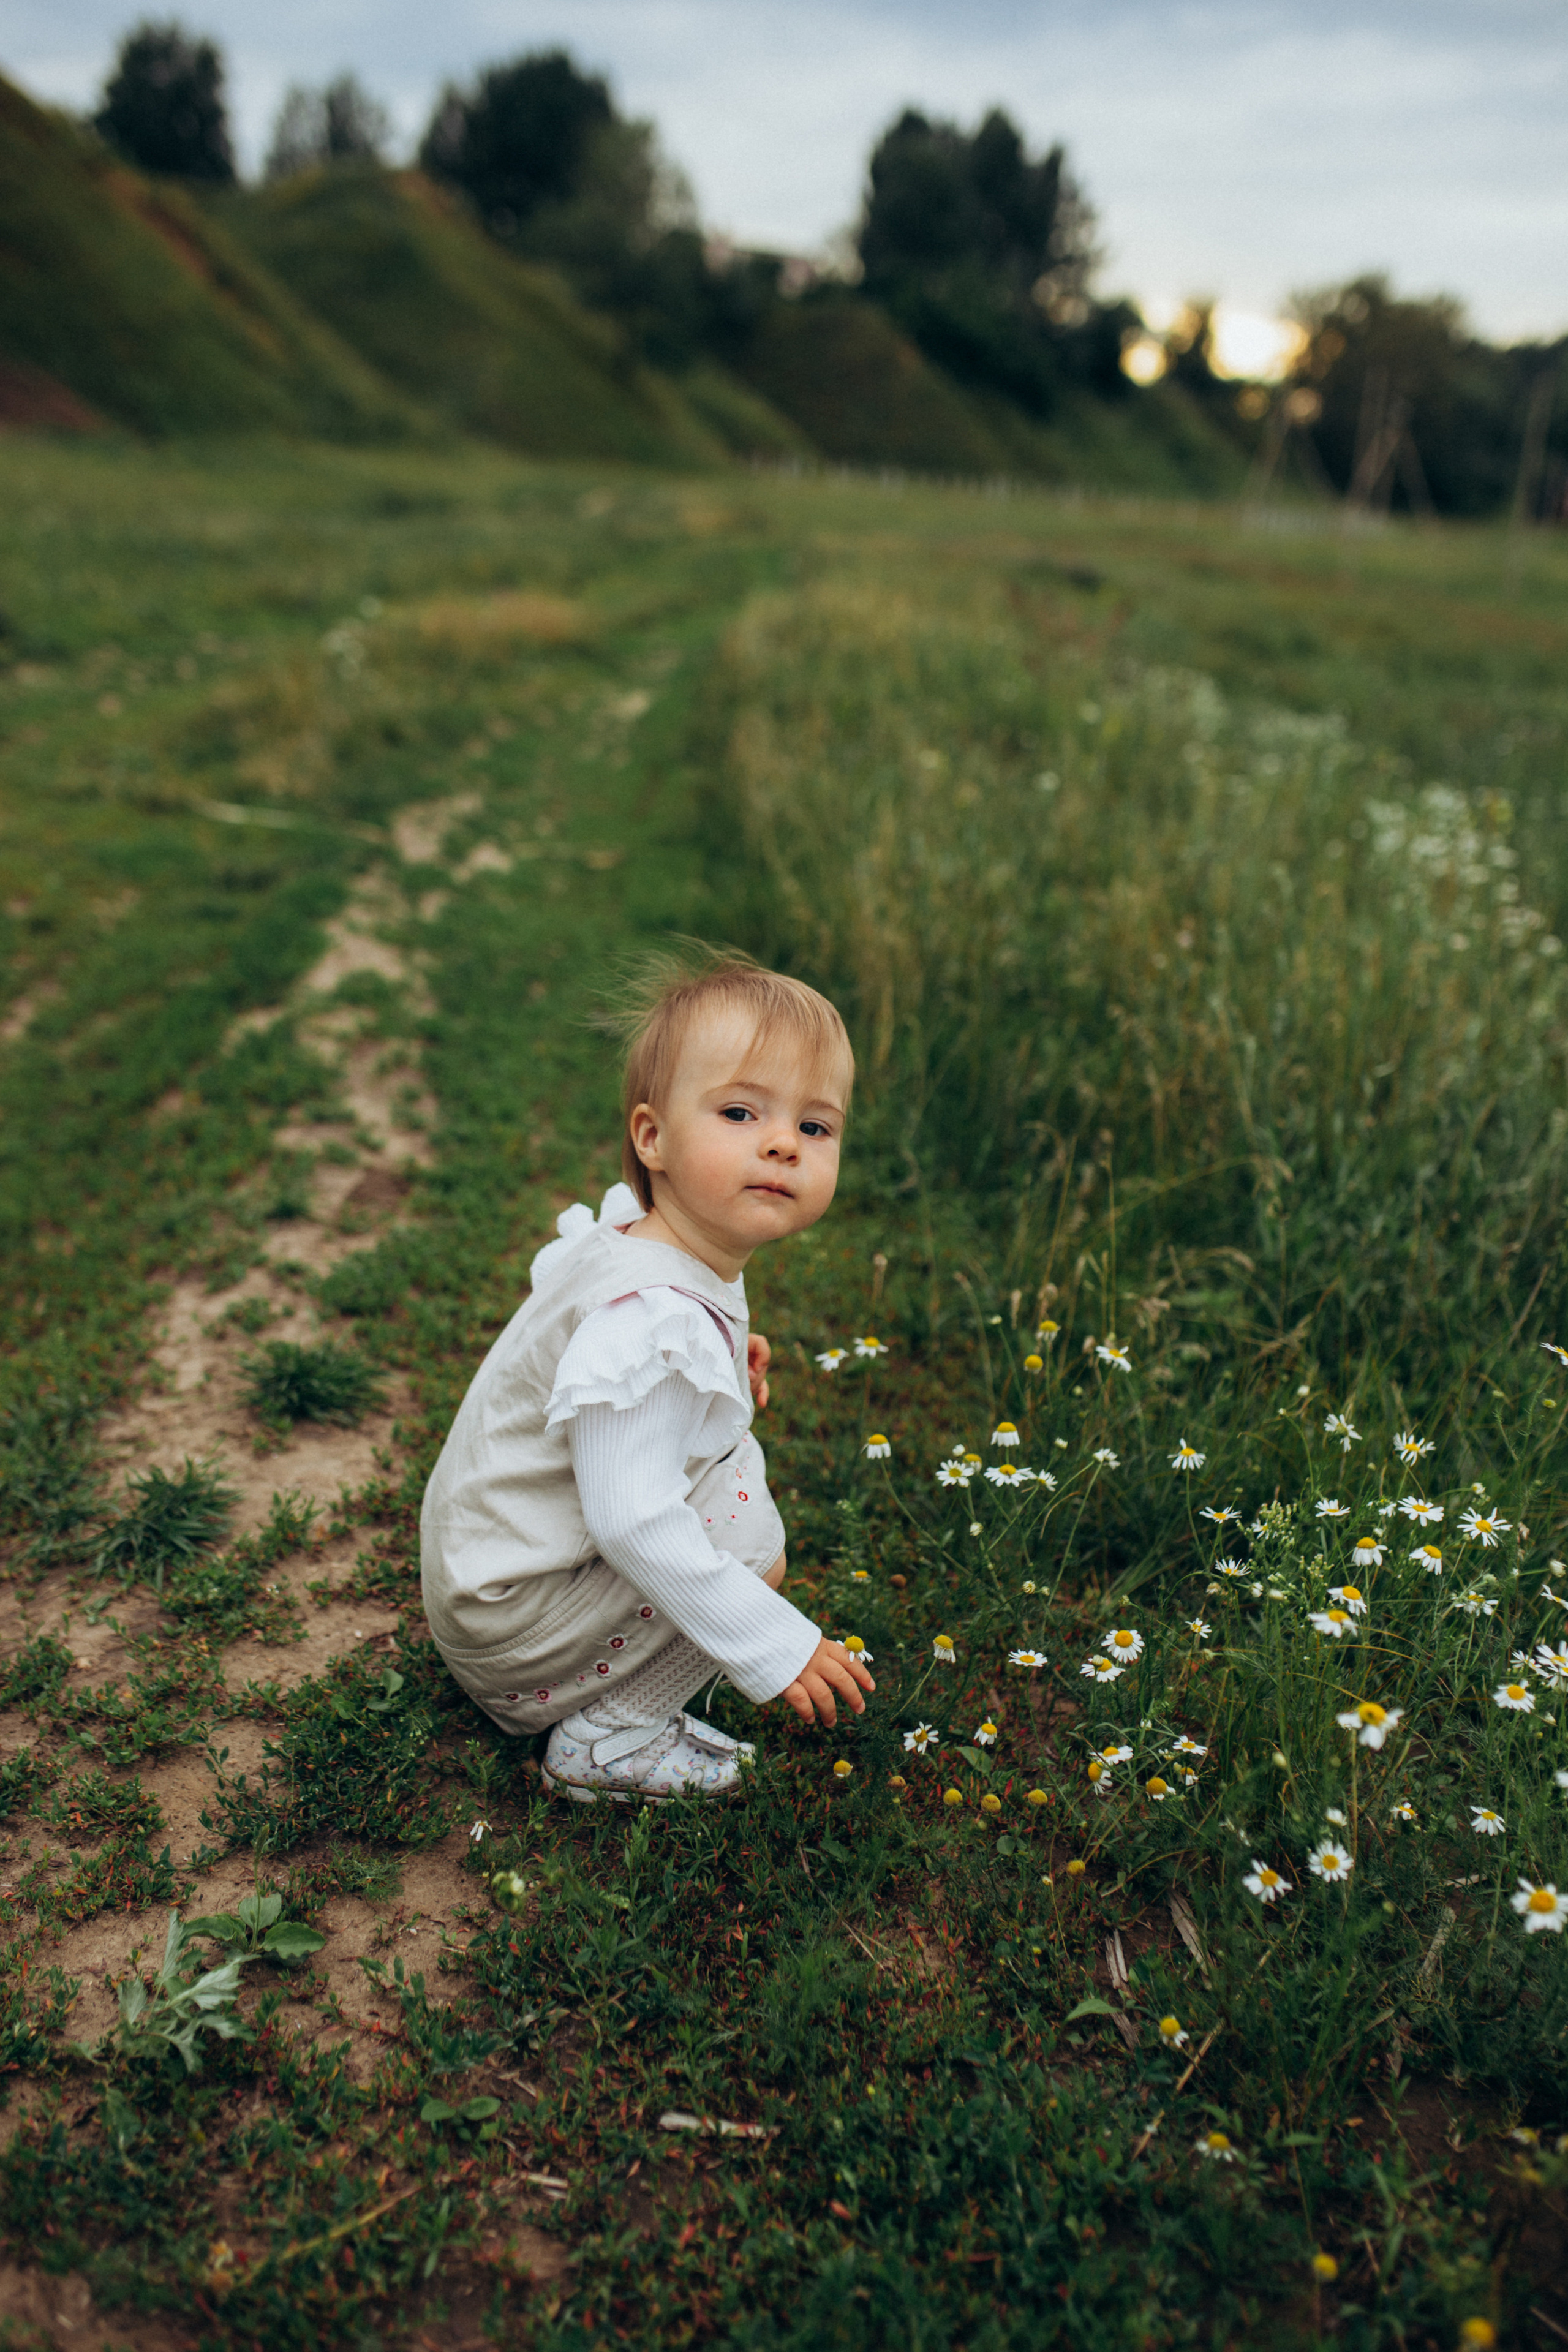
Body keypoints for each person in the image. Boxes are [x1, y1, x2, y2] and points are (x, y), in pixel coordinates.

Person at [420, 948, 876, 1801]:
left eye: (815, 1128)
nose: (783, 1143)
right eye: (741, 1112)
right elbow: (630, 1518)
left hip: (495, 1579)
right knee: (747, 1535)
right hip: (510, 1626)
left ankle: (608, 1706)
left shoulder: (647, 1250)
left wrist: (722, 1359)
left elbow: (621, 1351)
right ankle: (605, 1737)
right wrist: (772, 1642)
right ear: (652, 1136)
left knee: (730, 1468)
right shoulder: (652, 1324)